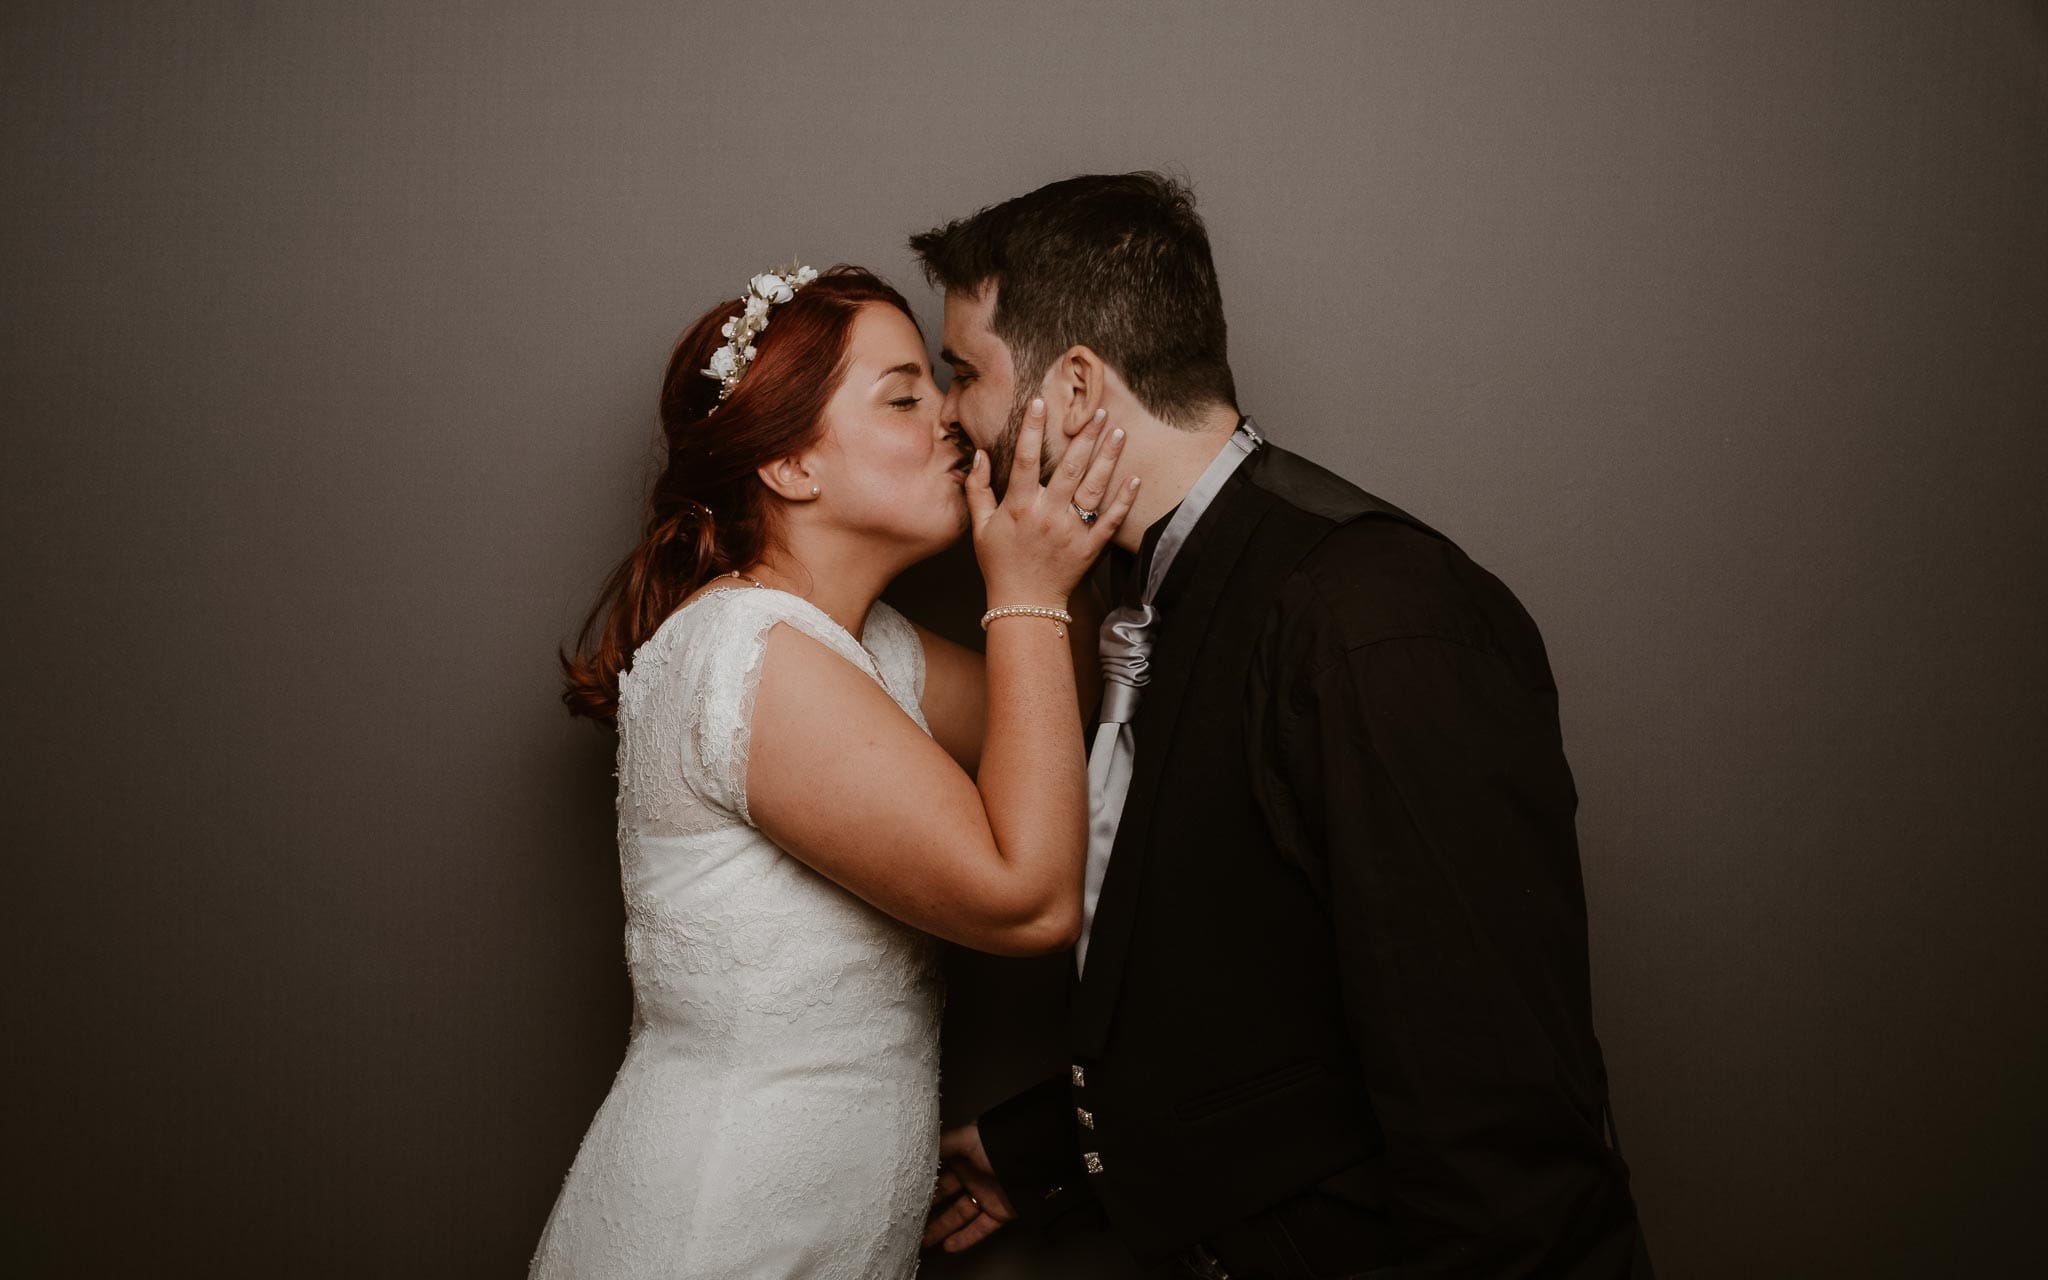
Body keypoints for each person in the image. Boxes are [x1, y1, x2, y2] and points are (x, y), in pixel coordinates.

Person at [915, 174, 1652, 1278]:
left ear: (1073, 388)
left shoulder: (1374, 614)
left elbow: (1490, 1097)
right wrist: (1042, 1148)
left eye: (962, 374)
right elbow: (1255, 987)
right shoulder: (1139, 587)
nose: (949, 418)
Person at [531, 264, 1138, 1279]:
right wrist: (1025, 581)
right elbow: (1025, 895)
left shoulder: (863, 647)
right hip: (713, 1236)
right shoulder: (747, 651)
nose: (948, 420)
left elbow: (1053, 733)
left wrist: (1047, 512)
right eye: (902, 397)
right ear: (790, 468)